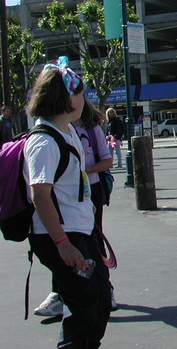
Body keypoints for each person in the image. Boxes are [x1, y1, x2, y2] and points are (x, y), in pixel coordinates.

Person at [24, 64, 111, 347]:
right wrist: (62, 243)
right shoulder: (43, 141)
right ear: (67, 98)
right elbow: (40, 196)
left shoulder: (68, 131)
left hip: (81, 230)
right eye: (81, 93)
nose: (84, 99)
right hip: (62, 235)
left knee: (99, 299)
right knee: (83, 306)